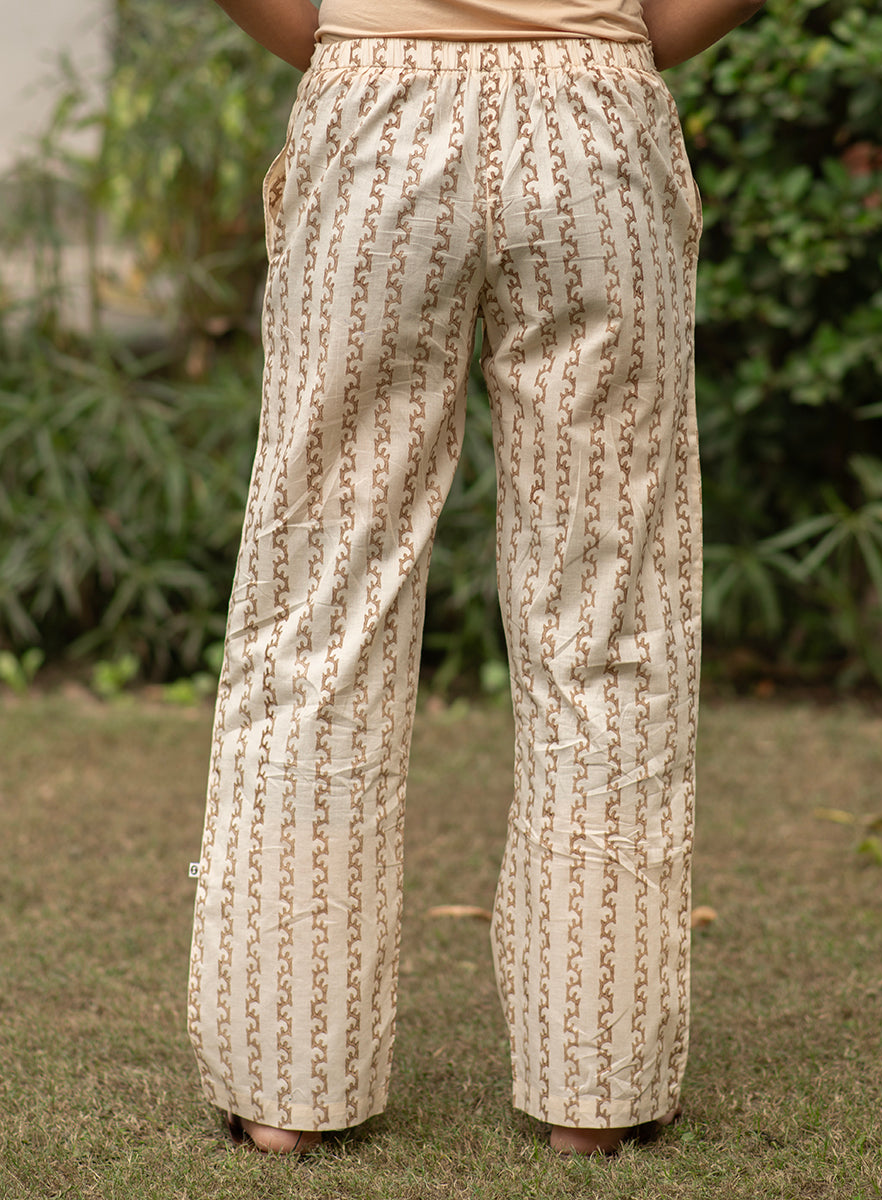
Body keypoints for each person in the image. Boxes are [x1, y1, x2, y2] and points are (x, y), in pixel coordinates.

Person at [187, 0, 764, 1158]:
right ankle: (597, 1092)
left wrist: (355, 35)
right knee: (609, 611)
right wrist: (606, 40)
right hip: (596, 110)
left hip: (373, 107)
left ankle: (285, 1087)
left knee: (321, 604)